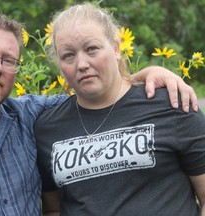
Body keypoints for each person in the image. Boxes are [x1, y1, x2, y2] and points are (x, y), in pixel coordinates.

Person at [0, 11, 199, 216]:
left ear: (115, 49)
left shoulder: (27, 116)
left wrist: (151, 74)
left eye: (8, 60)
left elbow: (103, 92)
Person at [34, 3, 205, 216]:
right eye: (68, 55)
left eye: (91, 49)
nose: (82, 64)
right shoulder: (47, 128)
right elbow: (53, 209)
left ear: (116, 48)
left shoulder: (171, 104)